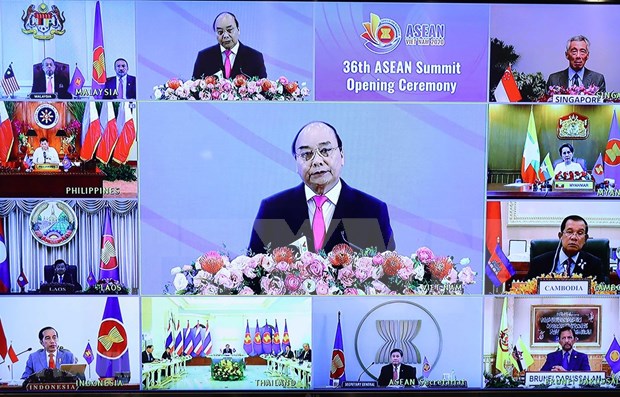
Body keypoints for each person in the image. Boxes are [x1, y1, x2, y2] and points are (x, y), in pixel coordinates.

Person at [248, 121, 395, 255]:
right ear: (296, 162)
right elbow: (253, 274)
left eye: (325, 151)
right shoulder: (273, 209)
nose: (317, 161)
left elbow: (387, 278)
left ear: (342, 155)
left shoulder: (372, 210)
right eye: (306, 154)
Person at [526, 215, 606, 282]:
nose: (574, 237)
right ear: (560, 236)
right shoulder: (539, 263)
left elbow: (602, 294)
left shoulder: (595, 264)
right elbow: (525, 292)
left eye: (580, 233)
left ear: (585, 239)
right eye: (569, 232)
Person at [192, 12, 267, 80]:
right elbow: (194, 89)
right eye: (220, 32)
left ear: (238, 30)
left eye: (229, 30)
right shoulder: (204, 56)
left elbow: (264, 91)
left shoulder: (255, 57)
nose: (225, 36)